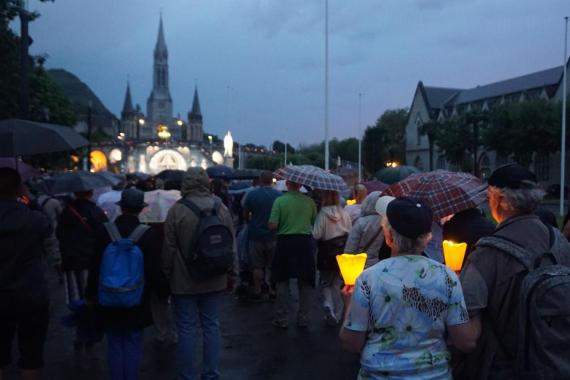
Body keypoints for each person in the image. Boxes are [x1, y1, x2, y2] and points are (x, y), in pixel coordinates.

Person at [340, 197, 480, 379]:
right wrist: (480, 315)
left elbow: (351, 344)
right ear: (428, 237)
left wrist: (348, 305)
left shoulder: (368, 278)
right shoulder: (447, 277)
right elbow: (465, 342)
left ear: (389, 236)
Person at [457, 164, 570, 380]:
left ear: (498, 200)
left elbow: (466, 316)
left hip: (505, 367)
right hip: (556, 360)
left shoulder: (488, 252)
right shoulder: (559, 240)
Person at [163, 168, 235, 380]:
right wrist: (233, 274)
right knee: (211, 325)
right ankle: (211, 373)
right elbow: (231, 245)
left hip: (183, 280)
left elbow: (169, 248)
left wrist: (166, 274)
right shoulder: (221, 208)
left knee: (186, 328)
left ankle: (187, 375)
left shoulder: (177, 210)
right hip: (215, 277)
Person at [86, 189, 164, 380]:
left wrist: (90, 295)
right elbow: (154, 270)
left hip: (108, 296)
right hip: (137, 298)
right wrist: (163, 292)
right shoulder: (148, 234)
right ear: (140, 209)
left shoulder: (105, 231)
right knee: (133, 343)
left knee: (114, 342)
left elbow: (95, 265)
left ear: (121, 208)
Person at [0, 168, 52, 380]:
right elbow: (48, 228)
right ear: (19, 188)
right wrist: (30, 200)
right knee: (31, 357)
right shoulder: (35, 219)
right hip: (31, 294)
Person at [57, 189, 108, 352]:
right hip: (92, 261)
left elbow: (59, 234)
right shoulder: (96, 211)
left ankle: (80, 333)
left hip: (71, 262)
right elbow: (105, 234)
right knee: (91, 298)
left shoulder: (67, 211)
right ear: (91, 193)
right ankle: (90, 333)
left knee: (77, 299)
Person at [268, 180, 317, 328]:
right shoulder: (310, 202)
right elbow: (313, 221)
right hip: (305, 243)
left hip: (285, 243)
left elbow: (273, 225)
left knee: (282, 279)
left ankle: (281, 317)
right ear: (300, 185)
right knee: (305, 280)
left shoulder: (280, 201)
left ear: (288, 184)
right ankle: (303, 318)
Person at [313, 190, 352, 325]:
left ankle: (328, 305)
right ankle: (338, 312)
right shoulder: (344, 213)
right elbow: (350, 231)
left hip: (326, 252)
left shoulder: (322, 214)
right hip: (341, 251)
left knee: (325, 282)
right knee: (336, 283)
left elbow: (316, 235)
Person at [243, 171, 282, 300]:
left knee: (257, 266)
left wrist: (251, 223)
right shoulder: (279, 195)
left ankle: (258, 289)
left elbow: (245, 214)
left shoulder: (251, 194)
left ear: (260, 180)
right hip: (273, 235)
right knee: (272, 266)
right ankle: (272, 290)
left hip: (255, 235)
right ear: (272, 180)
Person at [344, 191, 385, 268]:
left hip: (359, 265)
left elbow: (350, 248)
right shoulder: (387, 223)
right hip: (380, 266)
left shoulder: (361, 222)